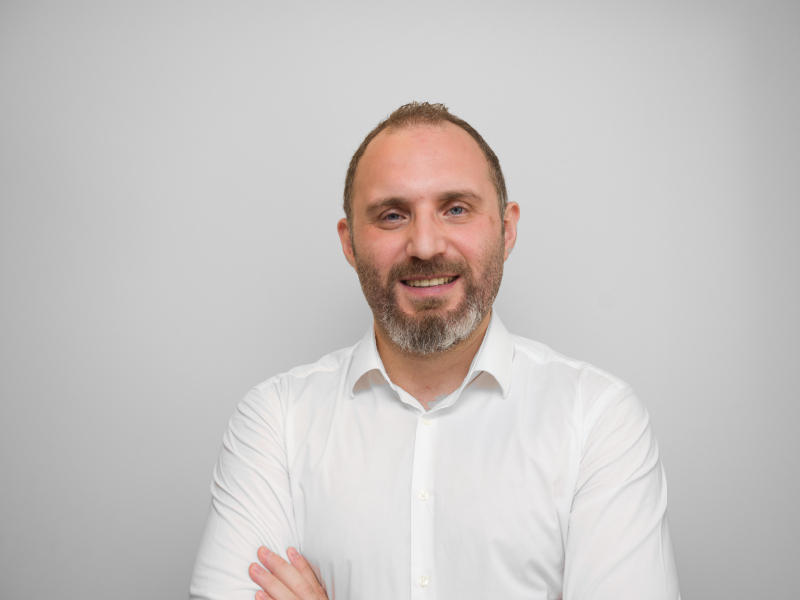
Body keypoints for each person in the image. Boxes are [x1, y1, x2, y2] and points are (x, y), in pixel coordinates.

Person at [189, 102, 680, 600]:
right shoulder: (276, 420)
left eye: (456, 209)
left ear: (507, 229)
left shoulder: (597, 419)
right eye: (392, 215)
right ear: (349, 243)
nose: (425, 245)